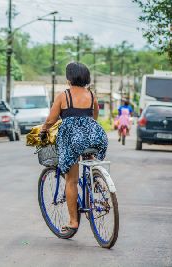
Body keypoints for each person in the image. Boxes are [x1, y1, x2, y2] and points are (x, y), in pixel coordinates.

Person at [39, 62, 108, 234]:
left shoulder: (64, 96)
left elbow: (51, 119)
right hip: (95, 136)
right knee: (88, 153)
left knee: (72, 180)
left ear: (69, 78)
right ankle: (95, 179)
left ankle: (73, 221)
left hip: (72, 140)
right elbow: (95, 116)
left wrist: (43, 130)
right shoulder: (91, 95)